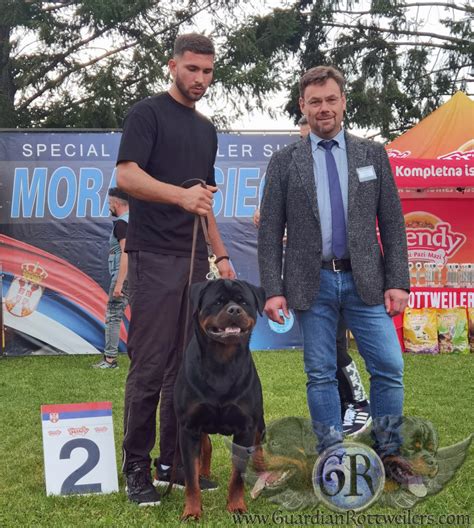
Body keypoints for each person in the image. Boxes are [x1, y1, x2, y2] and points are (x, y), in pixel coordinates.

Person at [258, 65, 409, 454]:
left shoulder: (372, 154)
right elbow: (270, 230)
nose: (323, 108)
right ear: (302, 107)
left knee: (389, 368)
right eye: (314, 102)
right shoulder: (284, 161)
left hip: (368, 282)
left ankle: (389, 455)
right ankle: (332, 458)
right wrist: (272, 290)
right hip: (312, 283)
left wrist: (398, 281)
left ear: (343, 102)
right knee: (320, 374)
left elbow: (391, 222)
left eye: (330, 100)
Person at [116, 33, 234, 506]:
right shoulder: (146, 114)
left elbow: (203, 202)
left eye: (207, 71)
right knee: (149, 367)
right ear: (173, 66)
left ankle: (174, 462)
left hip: (194, 267)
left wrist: (221, 255)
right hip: (153, 258)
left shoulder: (207, 130)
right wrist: (178, 194)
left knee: (186, 369)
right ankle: (137, 467)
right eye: (192, 69)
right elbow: (126, 176)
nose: (200, 79)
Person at [255, 114, 372, 436]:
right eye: (304, 135)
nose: (310, 140)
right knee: (321, 359)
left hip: (347, 271)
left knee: (340, 348)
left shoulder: (353, 160)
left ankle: (357, 403)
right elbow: (267, 215)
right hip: (309, 274)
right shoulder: (287, 164)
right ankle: (341, 416)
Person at [93, 187, 129, 369]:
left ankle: (110, 359)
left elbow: (126, 253)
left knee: (113, 316)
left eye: (109, 203)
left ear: (116, 203)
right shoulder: (136, 222)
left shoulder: (122, 224)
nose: (109, 206)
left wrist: (119, 283)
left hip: (123, 277)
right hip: (139, 277)